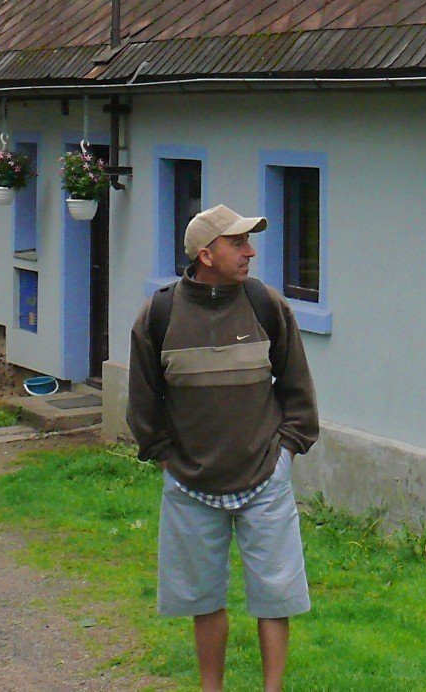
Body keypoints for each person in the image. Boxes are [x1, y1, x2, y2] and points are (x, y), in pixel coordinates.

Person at [127, 203, 319, 692]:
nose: (250, 251)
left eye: (248, 242)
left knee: (276, 597)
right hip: (190, 485)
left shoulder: (266, 305)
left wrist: (284, 455)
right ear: (206, 254)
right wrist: (170, 459)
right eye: (238, 243)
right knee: (202, 598)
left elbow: (297, 388)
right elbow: (144, 403)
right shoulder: (160, 314)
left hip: (264, 479)